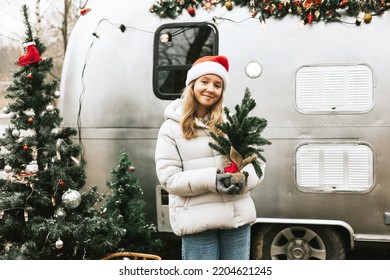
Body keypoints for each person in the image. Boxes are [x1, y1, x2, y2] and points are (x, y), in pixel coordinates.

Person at [154, 55, 265, 260]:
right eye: (204, 82)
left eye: (217, 85)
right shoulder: (171, 128)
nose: (210, 89)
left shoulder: (231, 122)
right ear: (192, 85)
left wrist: (244, 179)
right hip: (198, 223)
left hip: (236, 220)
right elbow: (170, 179)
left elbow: (257, 162)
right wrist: (213, 181)